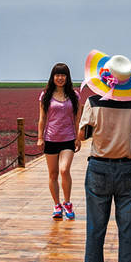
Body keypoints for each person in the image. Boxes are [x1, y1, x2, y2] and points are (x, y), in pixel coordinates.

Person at [77, 49, 131, 262]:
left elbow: (82, 134)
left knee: (95, 230)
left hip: (98, 167)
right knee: (127, 232)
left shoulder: (93, 103)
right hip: (128, 170)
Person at [37, 62, 81, 220]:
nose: (60, 78)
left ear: (67, 77)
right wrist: (40, 137)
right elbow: (42, 118)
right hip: (50, 139)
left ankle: (67, 203)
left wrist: (78, 137)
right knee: (53, 174)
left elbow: (77, 118)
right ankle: (57, 205)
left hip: (68, 138)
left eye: (63, 75)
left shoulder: (74, 95)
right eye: (57, 75)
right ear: (53, 77)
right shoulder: (46, 95)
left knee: (64, 170)